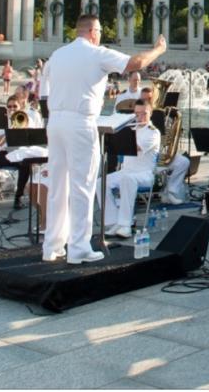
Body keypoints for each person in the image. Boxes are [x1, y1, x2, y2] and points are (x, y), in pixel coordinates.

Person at [40, 14, 166, 263]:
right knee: (82, 185)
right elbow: (135, 63)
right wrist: (158, 50)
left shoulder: (57, 55)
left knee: (58, 185)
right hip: (80, 122)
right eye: (99, 31)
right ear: (92, 31)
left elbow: (44, 93)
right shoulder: (96, 54)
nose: (100, 36)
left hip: (55, 122)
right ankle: (78, 248)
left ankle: (52, 246)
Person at [97, 100, 160, 238]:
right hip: (126, 172)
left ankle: (126, 224)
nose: (140, 117)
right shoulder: (130, 128)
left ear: (151, 113)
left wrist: (120, 133)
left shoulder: (153, 132)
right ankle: (114, 221)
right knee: (100, 183)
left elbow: (134, 147)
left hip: (145, 174)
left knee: (127, 179)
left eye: (144, 113)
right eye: (137, 114)